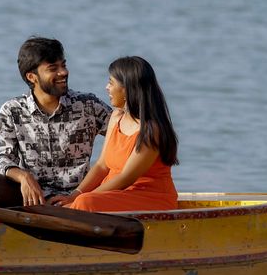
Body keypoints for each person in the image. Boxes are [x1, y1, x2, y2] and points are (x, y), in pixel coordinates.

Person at [0, 36, 111, 208]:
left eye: (63, 65)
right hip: (28, 197)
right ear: (32, 77)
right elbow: (1, 159)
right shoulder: (12, 110)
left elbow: (126, 133)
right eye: (53, 68)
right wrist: (24, 177)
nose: (63, 72)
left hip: (76, 200)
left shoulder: (88, 105)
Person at [53, 56, 178, 212]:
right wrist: (74, 195)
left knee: (86, 202)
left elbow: (126, 177)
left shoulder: (151, 130)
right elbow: (101, 165)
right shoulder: (116, 117)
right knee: (75, 202)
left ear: (127, 88)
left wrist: (80, 200)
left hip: (150, 198)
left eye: (111, 83)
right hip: (115, 194)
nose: (107, 87)